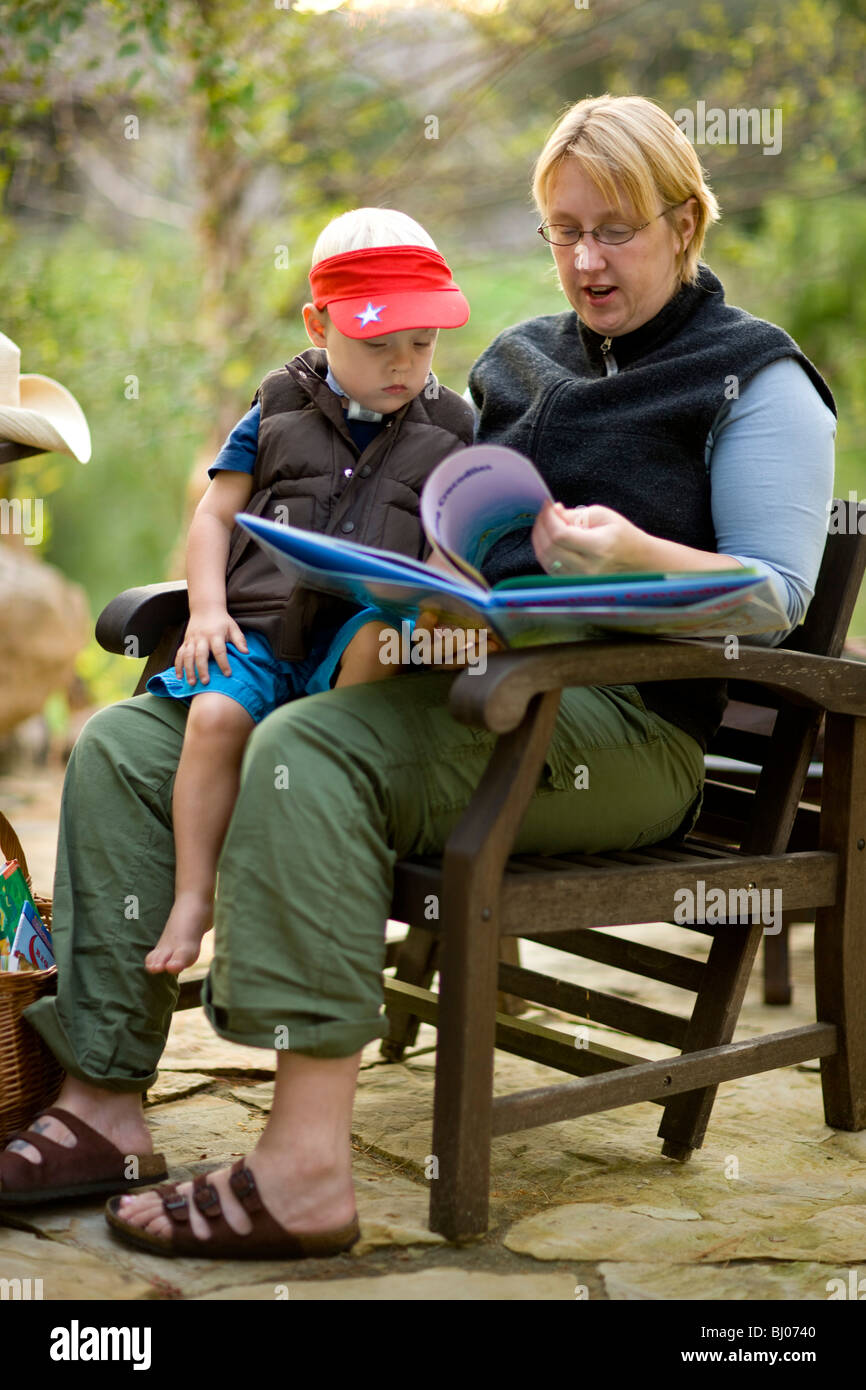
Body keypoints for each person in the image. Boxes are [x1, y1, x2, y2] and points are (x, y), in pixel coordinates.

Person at [0, 95, 835, 1260]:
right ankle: (103, 1100)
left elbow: (774, 595)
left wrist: (632, 551)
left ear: (685, 221)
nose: (583, 258)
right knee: (127, 746)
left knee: (308, 754)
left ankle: (300, 1170)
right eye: (560, 229)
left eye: (616, 228)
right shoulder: (519, 358)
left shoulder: (753, 379)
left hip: (623, 727)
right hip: (457, 677)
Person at [141, 207, 473, 976]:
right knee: (216, 717)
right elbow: (214, 514)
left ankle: (321, 803)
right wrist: (207, 610)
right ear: (319, 326)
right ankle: (196, 896)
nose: (403, 364)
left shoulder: (452, 428)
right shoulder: (277, 408)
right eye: (378, 342)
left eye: (421, 344)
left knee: (370, 643)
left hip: (358, 634)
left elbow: (450, 552)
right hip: (258, 629)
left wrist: (449, 595)